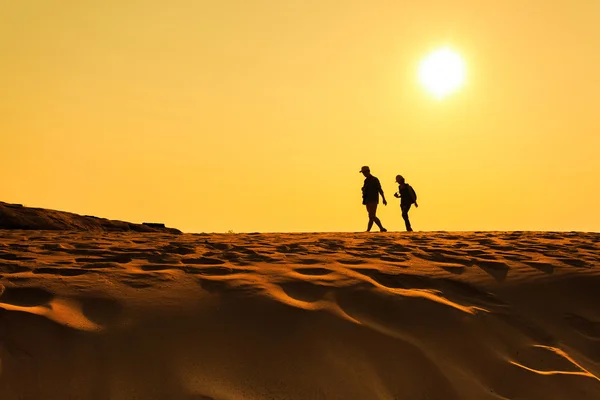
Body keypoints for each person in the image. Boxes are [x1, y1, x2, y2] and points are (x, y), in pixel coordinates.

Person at [360, 166, 387, 232]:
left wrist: (383, 198)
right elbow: (365, 189)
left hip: (373, 199)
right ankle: (368, 230)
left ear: (368, 171)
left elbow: (380, 189)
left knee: (372, 215)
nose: (363, 174)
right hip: (367, 200)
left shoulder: (375, 180)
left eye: (364, 172)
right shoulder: (366, 180)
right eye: (363, 173)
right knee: (371, 216)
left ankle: (381, 228)